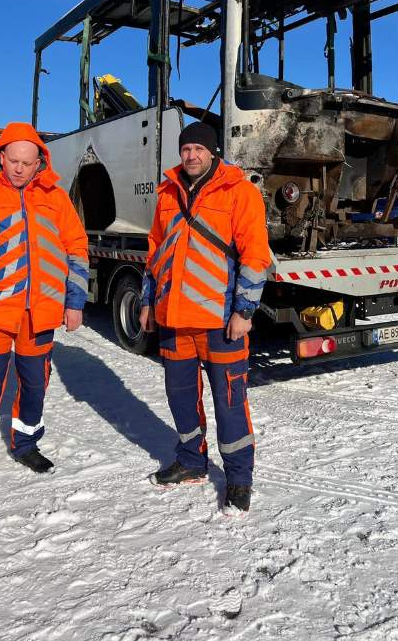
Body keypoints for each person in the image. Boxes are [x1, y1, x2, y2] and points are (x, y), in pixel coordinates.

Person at [0, 123, 89, 494]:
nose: (20, 169)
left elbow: (77, 249)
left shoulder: (56, 197)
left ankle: (25, 445)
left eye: (28, 162)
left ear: (40, 161)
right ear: (0, 157)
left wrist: (74, 304)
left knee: (35, 385)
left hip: (40, 314)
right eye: (13, 161)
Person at [139, 122, 269, 516]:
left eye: (199, 148)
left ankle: (239, 479)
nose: (191, 155)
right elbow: (155, 252)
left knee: (230, 403)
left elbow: (255, 255)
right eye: (186, 148)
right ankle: (192, 462)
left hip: (219, 322)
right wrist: (147, 302)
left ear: (213, 152)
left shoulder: (239, 191)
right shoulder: (167, 193)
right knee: (180, 398)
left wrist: (244, 311)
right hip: (174, 320)